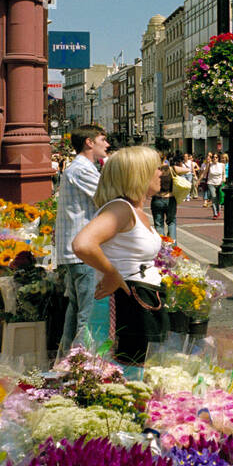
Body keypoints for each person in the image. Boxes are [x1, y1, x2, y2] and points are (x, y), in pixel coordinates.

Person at [71, 146, 167, 367]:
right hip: (124, 305)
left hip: (138, 301)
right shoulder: (120, 209)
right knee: (121, 370)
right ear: (139, 173)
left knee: (135, 369)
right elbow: (83, 244)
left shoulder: (132, 210)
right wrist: (112, 274)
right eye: (157, 168)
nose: (161, 173)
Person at [54, 124, 110, 356]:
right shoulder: (82, 169)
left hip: (75, 251)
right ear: (89, 142)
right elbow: (108, 197)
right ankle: (82, 365)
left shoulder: (80, 168)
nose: (106, 144)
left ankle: (65, 361)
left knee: (75, 310)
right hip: (84, 252)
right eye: (102, 139)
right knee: (88, 315)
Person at [150, 158, 177, 242]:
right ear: (165, 159)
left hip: (157, 199)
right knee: (171, 222)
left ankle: (162, 247)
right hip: (170, 198)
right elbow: (186, 170)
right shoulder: (171, 170)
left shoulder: (153, 171)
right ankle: (172, 246)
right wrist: (174, 168)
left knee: (159, 225)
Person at [205, 153, 225, 219]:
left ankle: (218, 211)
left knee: (218, 199)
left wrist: (223, 179)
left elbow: (223, 174)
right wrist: (198, 180)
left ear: (218, 158)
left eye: (216, 157)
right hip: (211, 183)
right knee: (214, 197)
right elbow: (204, 173)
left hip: (219, 183)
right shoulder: (210, 164)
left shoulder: (222, 165)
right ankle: (215, 214)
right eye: (213, 157)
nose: (214, 158)